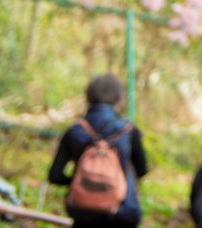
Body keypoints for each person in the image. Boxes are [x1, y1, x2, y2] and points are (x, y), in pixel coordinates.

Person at [48, 73, 149, 226]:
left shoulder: (75, 130)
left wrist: (82, 182)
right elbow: (142, 170)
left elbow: (55, 175)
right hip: (121, 212)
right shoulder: (128, 131)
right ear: (119, 99)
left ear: (88, 97)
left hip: (83, 212)